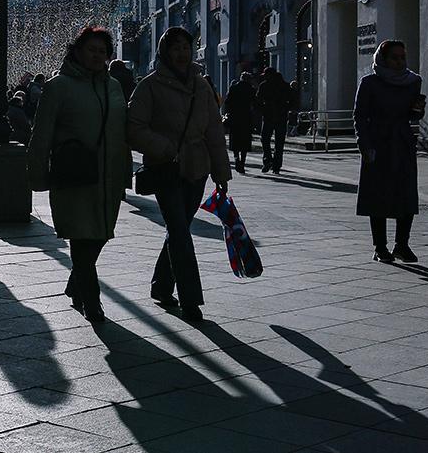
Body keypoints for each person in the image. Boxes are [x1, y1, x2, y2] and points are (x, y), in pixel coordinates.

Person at [128, 27, 232, 322]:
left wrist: (220, 172)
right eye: (175, 48)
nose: (182, 53)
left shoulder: (201, 86)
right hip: (165, 168)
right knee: (179, 231)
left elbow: (214, 131)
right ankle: (190, 298)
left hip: (196, 169)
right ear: (164, 52)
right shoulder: (149, 87)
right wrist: (163, 146)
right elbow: (133, 128)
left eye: (186, 47)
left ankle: (161, 287)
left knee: (179, 228)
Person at [27, 27, 129, 323]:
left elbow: (123, 131)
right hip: (73, 175)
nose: (97, 56)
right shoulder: (59, 86)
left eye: (103, 51)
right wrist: (37, 175)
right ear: (77, 52)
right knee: (81, 238)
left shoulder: (114, 87)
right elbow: (41, 134)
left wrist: (125, 171)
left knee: (99, 236)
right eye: (91, 50)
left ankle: (76, 283)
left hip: (107, 176)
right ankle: (92, 300)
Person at [354, 39, 425, 264]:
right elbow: (359, 116)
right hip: (378, 143)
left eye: (402, 57)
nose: (399, 62)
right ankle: (380, 247)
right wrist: (364, 144)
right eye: (394, 57)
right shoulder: (370, 83)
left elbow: (413, 115)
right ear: (383, 59)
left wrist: (418, 110)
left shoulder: (413, 81)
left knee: (406, 194)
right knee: (378, 195)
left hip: (402, 143)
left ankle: (402, 245)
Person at [256, 67, 291, 174]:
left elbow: (258, 100)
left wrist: (263, 109)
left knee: (265, 139)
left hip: (268, 117)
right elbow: (293, 99)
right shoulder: (284, 85)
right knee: (279, 142)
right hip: (281, 117)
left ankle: (268, 160)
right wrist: (286, 108)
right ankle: (276, 166)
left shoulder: (264, 85)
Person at [223, 72, 256, 174]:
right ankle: (242, 161)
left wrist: (228, 112)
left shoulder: (234, 88)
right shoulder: (251, 89)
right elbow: (255, 103)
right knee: (245, 141)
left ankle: (236, 158)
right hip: (246, 118)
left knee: (235, 140)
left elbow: (227, 102)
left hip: (235, 118)